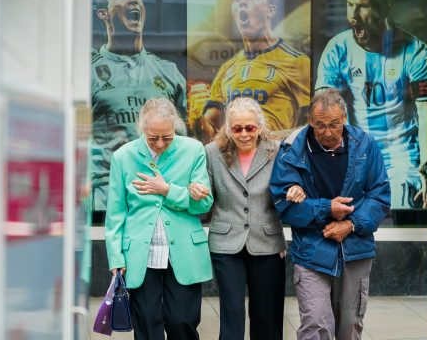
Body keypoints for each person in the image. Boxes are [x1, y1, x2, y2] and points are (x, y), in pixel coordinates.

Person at [270, 89, 391, 339]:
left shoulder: (365, 144)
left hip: (355, 248)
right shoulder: (293, 149)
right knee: (316, 324)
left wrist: (351, 224)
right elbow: (284, 204)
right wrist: (327, 208)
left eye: (334, 125)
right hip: (312, 250)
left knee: (349, 326)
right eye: (320, 125)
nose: (327, 132)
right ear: (311, 121)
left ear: (344, 118)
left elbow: (379, 195)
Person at [315, 0, 427, 209]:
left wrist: (425, 167)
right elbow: (324, 111)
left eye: (363, 7)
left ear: (383, 8)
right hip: (355, 157)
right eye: (350, 5)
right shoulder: (337, 49)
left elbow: (426, 112)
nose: (353, 15)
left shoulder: (416, 52)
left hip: (402, 158)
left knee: (401, 205)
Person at [105, 98, 213, 340]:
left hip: (183, 250)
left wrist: (167, 190)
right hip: (139, 253)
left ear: (176, 127)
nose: (161, 143)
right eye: (154, 138)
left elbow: (203, 205)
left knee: (182, 321)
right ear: (142, 130)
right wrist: (115, 257)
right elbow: (115, 214)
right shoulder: (123, 157)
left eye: (168, 136)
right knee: (147, 324)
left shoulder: (193, 150)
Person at [90, 0, 186, 222]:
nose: (132, 0)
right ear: (103, 13)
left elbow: (184, 141)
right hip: (105, 194)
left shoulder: (169, 72)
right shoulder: (87, 72)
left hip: (160, 192)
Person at [201, 97, 287, 339]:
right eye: (237, 128)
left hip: (267, 241)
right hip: (226, 244)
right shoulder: (212, 152)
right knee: (232, 314)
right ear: (228, 128)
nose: (244, 134)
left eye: (250, 127)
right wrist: (196, 193)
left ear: (260, 126)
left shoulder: (277, 151)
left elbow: (285, 193)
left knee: (267, 316)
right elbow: (205, 204)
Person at [194, 0, 310, 143]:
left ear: (271, 9)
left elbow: (314, 126)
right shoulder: (227, 69)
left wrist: (269, 139)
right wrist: (197, 117)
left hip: (274, 163)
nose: (242, 1)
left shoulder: (296, 62)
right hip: (234, 165)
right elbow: (209, 135)